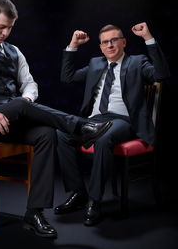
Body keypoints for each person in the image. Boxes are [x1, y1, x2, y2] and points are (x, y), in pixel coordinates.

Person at [0, 0, 112, 239]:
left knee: (46, 134)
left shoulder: (15, 51)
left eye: (10, 28)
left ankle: (33, 212)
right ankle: (80, 127)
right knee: (22, 105)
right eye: (1, 27)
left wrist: (25, 100)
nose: (5, 33)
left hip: (13, 120)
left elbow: (30, 84)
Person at [54, 22, 170, 225]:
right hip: (94, 121)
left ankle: (95, 200)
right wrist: (73, 45)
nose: (109, 45)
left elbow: (161, 75)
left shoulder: (137, 62)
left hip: (122, 121)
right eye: (105, 42)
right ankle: (79, 193)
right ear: (100, 47)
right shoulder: (95, 64)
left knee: (104, 138)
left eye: (114, 40)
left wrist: (148, 38)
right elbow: (67, 77)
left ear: (123, 42)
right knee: (61, 134)